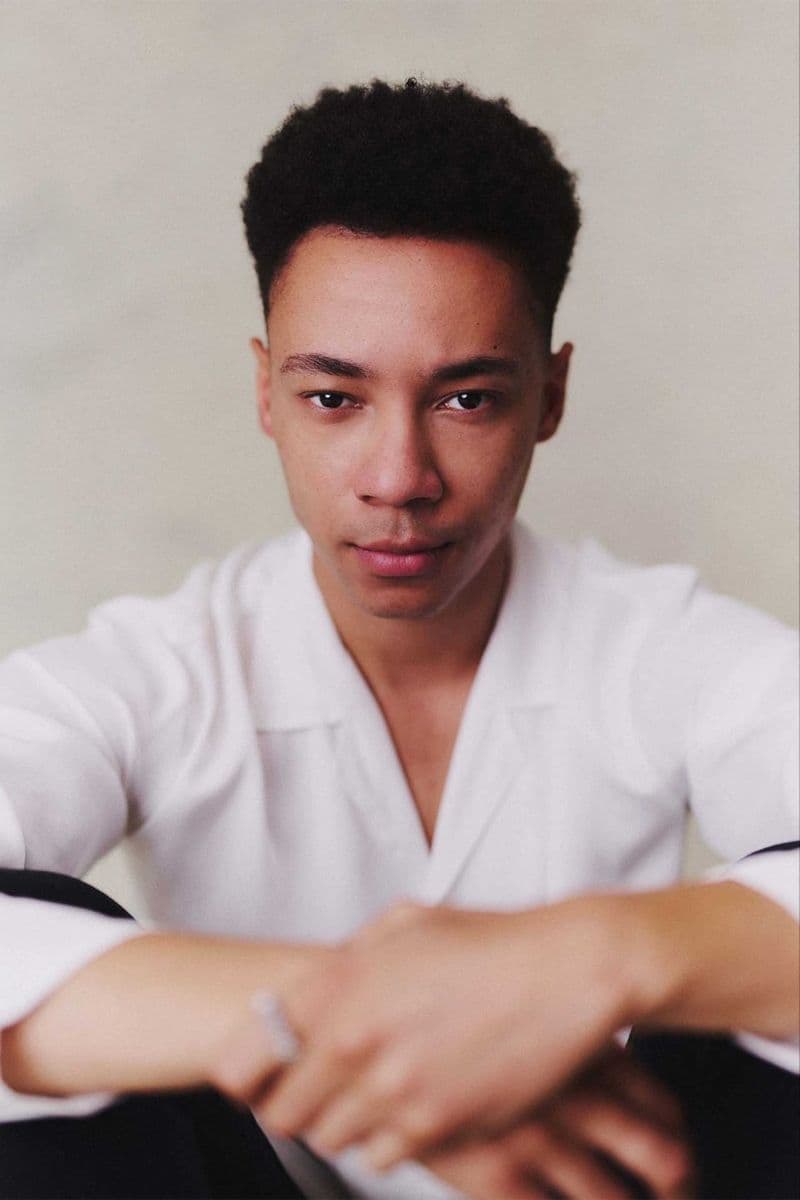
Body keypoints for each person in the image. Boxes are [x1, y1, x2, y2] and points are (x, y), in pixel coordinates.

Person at [0, 77, 797, 1200]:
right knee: (43, 962)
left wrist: (604, 957)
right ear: (266, 393)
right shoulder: (160, 671)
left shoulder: (658, 647)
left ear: (550, 396)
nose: (398, 479)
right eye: (334, 399)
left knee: (756, 979)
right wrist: (333, 1022)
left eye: (466, 399)